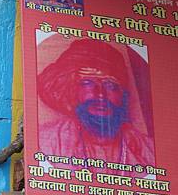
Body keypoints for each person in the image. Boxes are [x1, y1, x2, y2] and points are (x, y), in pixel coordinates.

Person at [37, 39, 155, 172]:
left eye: (110, 85)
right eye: (88, 83)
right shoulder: (44, 142)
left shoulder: (149, 152)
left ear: (122, 94)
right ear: (72, 90)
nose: (100, 94)